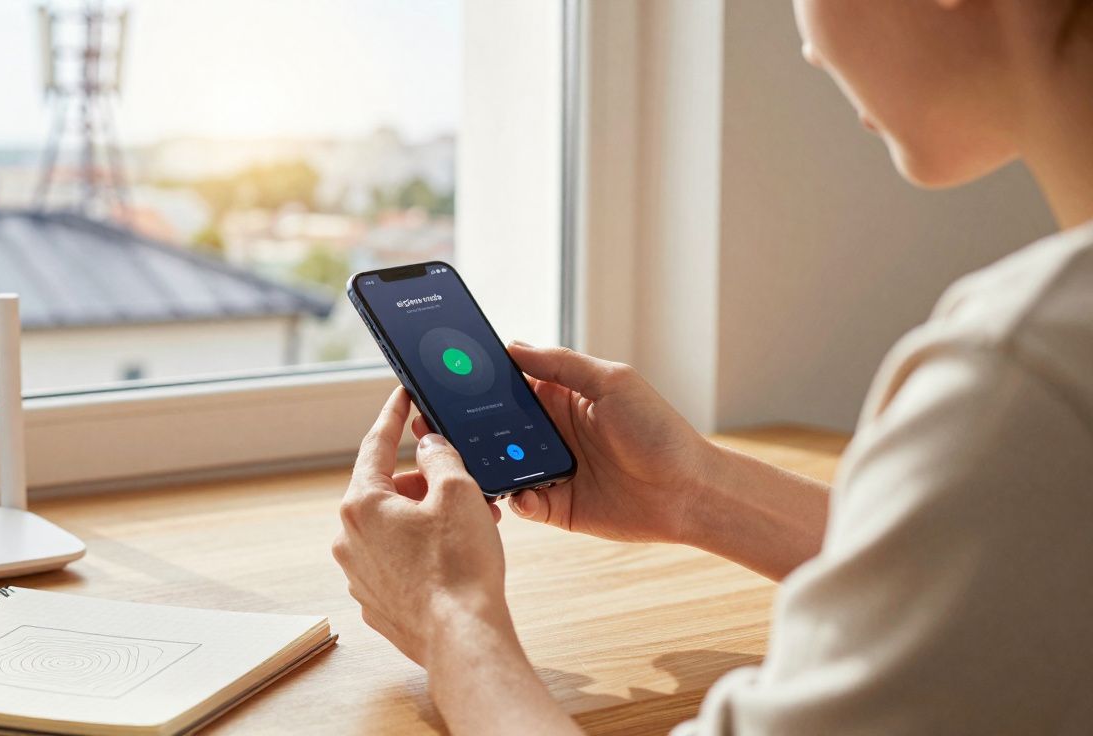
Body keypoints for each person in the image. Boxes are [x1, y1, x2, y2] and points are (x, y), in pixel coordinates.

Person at [331, 0, 1093, 732]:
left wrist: (448, 617)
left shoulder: (1025, 378)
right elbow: (1002, 576)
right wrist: (691, 492)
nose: (806, 44)